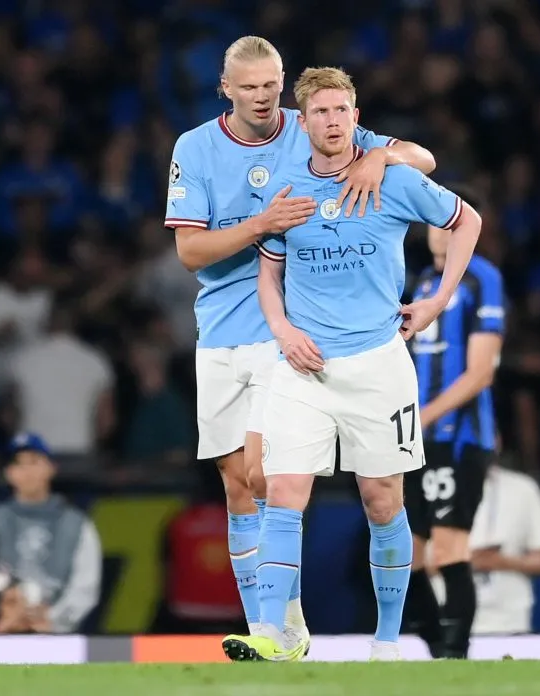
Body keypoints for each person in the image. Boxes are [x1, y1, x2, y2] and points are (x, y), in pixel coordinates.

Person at [165, 35, 437, 658]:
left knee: (270, 478)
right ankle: (279, 627)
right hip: (221, 328)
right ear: (226, 89)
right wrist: (262, 223)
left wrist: (379, 162)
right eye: (251, 87)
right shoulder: (195, 148)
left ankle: (277, 628)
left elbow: (422, 158)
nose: (264, 97)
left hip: (286, 325)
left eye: (272, 84)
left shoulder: (315, 124)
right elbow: (189, 253)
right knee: (237, 485)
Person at [222, 66, 481, 662]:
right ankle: (271, 634)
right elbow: (269, 272)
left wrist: (439, 298)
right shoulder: (285, 188)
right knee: (283, 489)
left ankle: (388, 640)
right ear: (302, 120)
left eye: (341, 111)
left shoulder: (391, 178)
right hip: (304, 366)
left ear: (356, 118)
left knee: (383, 500)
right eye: (320, 112)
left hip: (377, 364)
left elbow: (467, 221)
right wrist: (283, 331)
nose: (332, 121)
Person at [403, 191, 505, 659]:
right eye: (432, 221)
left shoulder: (482, 279)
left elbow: (481, 372)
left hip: (457, 438)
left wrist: (425, 416)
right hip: (414, 440)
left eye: (447, 221)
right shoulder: (423, 284)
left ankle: (456, 656)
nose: (437, 229)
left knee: (448, 550)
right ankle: (435, 646)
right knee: (404, 554)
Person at [0, 433, 102, 634]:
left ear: (51, 468)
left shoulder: (77, 524)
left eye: (34, 462)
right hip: (2, 631)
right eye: (19, 464)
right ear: (9, 473)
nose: (27, 471)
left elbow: (86, 584)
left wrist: (54, 620)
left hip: (56, 636)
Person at [467, 460, 540, 635]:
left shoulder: (523, 488)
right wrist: (467, 561)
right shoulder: (431, 485)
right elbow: (415, 563)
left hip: (510, 617)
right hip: (448, 615)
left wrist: (497, 561)